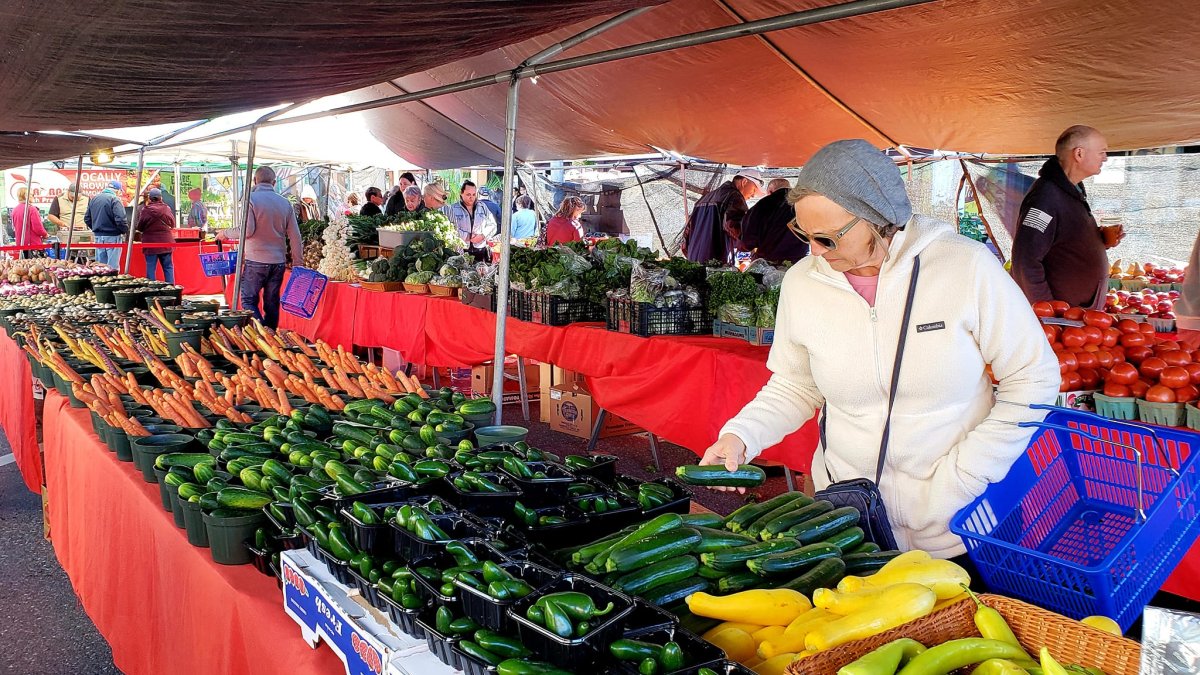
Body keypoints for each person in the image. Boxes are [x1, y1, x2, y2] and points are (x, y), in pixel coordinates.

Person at [697, 139, 1059, 562]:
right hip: (849, 524)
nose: (813, 250)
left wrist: (966, 477)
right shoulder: (802, 283)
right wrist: (741, 435)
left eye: (827, 238)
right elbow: (796, 385)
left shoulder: (967, 267)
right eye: (803, 233)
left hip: (961, 526)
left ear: (878, 218)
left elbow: (1034, 379)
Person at [1011, 125, 1122, 309]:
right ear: (1079, 154)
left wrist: (1099, 240)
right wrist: (1048, 311)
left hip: (1076, 317)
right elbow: (1025, 259)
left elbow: (1062, 241)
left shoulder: (1072, 190)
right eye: (1101, 152)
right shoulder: (1045, 197)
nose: (1105, 158)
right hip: (1062, 321)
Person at [219, 166, 302, 328]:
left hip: (256, 260)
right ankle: (270, 335)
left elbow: (247, 230)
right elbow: (295, 236)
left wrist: (226, 233)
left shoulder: (251, 199)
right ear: (274, 182)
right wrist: (298, 262)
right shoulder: (285, 203)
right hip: (278, 261)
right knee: (271, 302)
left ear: (255, 181)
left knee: (248, 300)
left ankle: (262, 332)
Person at [682, 171, 764, 263]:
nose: (753, 195)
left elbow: (687, 233)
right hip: (714, 260)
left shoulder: (704, 198)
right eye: (754, 190)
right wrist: (754, 243)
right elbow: (734, 227)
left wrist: (692, 254)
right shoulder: (734, 196)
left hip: (694, 258)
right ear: (744, 182)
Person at [740, 178, 809, 264]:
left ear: (770, 191)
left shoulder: (762, 205)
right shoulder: (804, 203)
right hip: (799, 262)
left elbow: (748, 239)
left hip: (768, 262)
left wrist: (747, 248)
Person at [448, 180, 497, 261]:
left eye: (474, 194)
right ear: (461, 193)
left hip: (480, 250)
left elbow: (492, 224)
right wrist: (467, 236)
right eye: (468, 194)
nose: (471, 197)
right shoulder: (453, 209)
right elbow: (450, 228)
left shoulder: (482, 207)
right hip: (460, 250)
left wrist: (482, 235)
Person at [84, 180, 128, 270]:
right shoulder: (115, 200)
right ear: (118, 190)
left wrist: (96, 228)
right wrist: (124, 231)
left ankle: (99, 283)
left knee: (99, 267)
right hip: (113, 236)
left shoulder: (94, 199)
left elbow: (87, 218)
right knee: (112, 268)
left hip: (98, 237)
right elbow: (120, 220)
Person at [135, 188, 177, 283]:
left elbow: (140, 227)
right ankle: (170, 290)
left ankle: (151, 292)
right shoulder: (166, 208)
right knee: (168, 267)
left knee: (151, 268)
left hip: (150, 243)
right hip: (166, 242)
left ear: (149, 198)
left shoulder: (145, 210)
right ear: (160, 198)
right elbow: (172, 224)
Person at [11, 188, 47, 258]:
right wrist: (45, 234)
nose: (33, 196)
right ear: (26, 195)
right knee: (38, 267)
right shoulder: (32, 209)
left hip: (21, 245)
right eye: (32, 194)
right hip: (33, 245)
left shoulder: (15, 209)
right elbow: (37, 228)